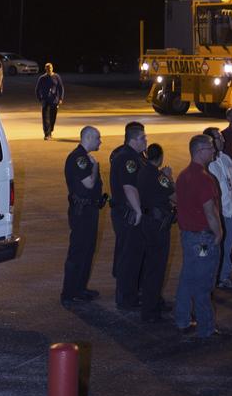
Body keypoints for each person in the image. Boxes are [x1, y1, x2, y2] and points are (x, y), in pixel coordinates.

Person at [174, 135, 224, 339]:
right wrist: (218, 233)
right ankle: (206, 328)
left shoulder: (184, 175)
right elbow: (209, 210)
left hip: (188, 237)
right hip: (202, 240)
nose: (213, 151)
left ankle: (182, 318)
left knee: (187, 277)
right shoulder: (204, 178)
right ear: (200, 150)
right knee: (203, 283)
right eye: (210, 148)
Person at [60, 126, 103, 306]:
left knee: (87, 251)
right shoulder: (80, 159)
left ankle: (80, 288)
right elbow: (89, 183)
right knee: (79, 252)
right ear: (89, 137)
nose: (100, 141)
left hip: (88, 211)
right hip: (82, 213)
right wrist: (94, 167)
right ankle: (70, 292)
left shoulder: (82, 157)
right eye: (98, 138)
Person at [109, 122, 147, 309]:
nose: (145, 140)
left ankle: (130, 294)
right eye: (142, 138)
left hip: (126, 212)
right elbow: (129, 186)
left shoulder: (133, 156)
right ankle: (126, 299)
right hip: (128, 214)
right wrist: (138, 211)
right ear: (133, 140)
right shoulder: (128, 159)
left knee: (130, 255)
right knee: (129, 257)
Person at [138, 142, 175, 323]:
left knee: (150, 266)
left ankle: (149, 304)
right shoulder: (158, 176)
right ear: (160, 158)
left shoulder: (143, 172)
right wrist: (169, 177)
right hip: (158, 224)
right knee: (157, 268)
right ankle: (151, 310)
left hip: (146, 221)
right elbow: (174, 195)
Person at [204, 126, 232, 288]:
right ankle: (220, 276)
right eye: (219, 138)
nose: (223, 140)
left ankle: (224, 273)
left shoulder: (226, 159)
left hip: (231, 209)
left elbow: (231, 183)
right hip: (220, 211)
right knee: (219, 245)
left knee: (229, 243)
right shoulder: (209, 165)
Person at [36, 63, 64, 140]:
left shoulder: (56, 77)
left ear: (52, 68)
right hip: (45, 101)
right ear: (45, 69)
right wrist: (40, 99)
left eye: (50, 68)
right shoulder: (42, 78)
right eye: (47, 68)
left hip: (54, 101)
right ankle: (47, 134)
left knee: (53, 117)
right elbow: (37, 89)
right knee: (45, 118)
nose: (49, 69)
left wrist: (60, 98)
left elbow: (60, 88)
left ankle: (50, 130)